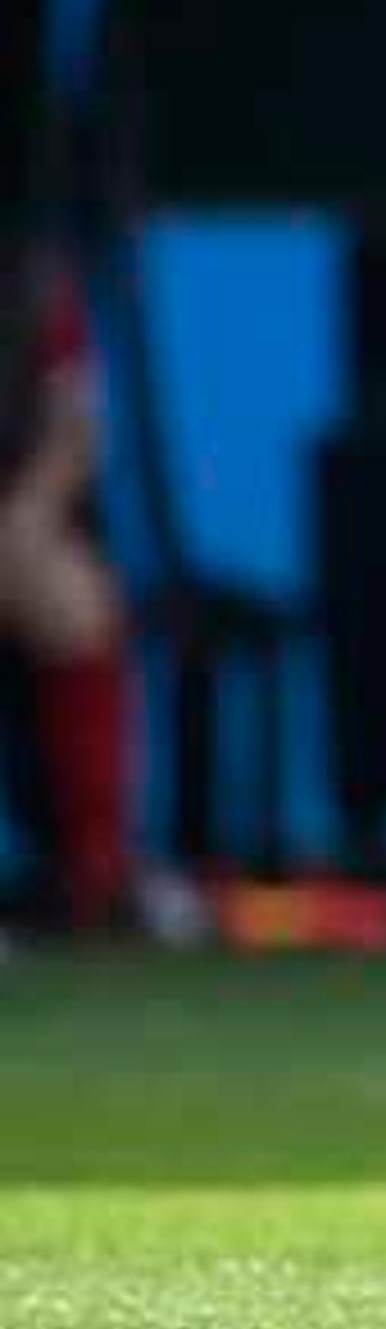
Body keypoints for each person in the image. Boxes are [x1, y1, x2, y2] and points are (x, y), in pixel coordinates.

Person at [1, 241, 155, 939]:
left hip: (15, 529)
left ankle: (95, 882)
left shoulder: (34, 284)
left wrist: (25, 520)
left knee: (72, 600)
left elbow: (79, 427)